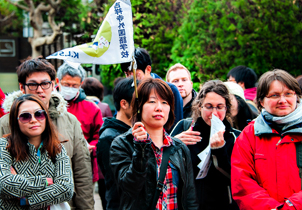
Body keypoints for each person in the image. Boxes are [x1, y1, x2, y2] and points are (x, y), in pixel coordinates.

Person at [0, 58, 94, 210]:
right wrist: (46, 183)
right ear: (22, 87)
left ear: (54, 83)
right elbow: (3, 183)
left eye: (45, 83)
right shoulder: (5, 124)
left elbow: (80, 173)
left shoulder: (70, 121)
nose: (39, 90)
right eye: (32, 84)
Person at [110, 78, 198, 209]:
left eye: (164, 102)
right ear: (139, 107)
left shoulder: (179, 148)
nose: (159, 108)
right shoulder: (123, 144)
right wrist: (141, 149)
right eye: (152, 101)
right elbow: (129, 188)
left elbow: (190, 198)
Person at [231, 69, 302, 210]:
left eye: (288, 94)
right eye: (275, 95)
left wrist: (292, 206)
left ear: (297, 97)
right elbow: (242, 182)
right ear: (261, 101)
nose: (283, 100)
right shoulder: (249, 135)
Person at [170, 80, 240, 210]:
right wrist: (173, 143)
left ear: (227, 108)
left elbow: (237, 179)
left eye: (219, 107)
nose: (214, 113)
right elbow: (163, 163)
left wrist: (220, 151)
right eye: (208, 106)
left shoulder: (236, 138)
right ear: (199, 106)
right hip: (188, 205)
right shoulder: (185, 129)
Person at [0, 94, 74, 209]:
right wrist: (45, 181)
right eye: (25, 117)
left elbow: (66, 189)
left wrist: (27, 200)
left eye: (39, 114)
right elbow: (3, 185)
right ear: (16, 121)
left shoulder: (57, 148)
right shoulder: (4, 146)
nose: (33, 120)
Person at [56, 62, 104, 189]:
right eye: (66, 84)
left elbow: (100, 136)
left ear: (81, 84)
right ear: (58, 81)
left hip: (83, 166)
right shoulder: (47, 105)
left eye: (74, 85)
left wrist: (91, 146)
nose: (70, 88)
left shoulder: (91, 108)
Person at [121, 47, 183, 131]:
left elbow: (176, 127)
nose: (130, 79)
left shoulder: (170, 90)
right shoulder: (126, 91)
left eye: (135, 75)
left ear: (148, 69)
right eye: (127, 74)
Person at [97, 77, 135, 210]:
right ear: (124, 104)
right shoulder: (110, 138)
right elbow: (119, 184)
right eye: (141, 101)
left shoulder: (137, 131)